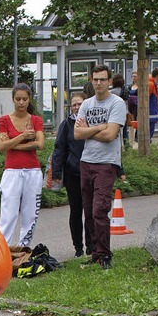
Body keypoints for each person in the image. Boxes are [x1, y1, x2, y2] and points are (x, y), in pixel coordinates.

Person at [74, 63, 125, 270]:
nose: (98, 83)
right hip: (87, 161)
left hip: (106, 163)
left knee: (99, 210)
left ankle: (105, 254)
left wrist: (90, 130)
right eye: (95, 79)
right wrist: (100, 127)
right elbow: (77, 134)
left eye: (103, 79)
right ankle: (95, 252)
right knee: (88, 211)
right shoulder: (86, 104)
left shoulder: (117, 103)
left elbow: (110, 135)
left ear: (109, 81)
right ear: (91, 80)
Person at [0, 83, 45, 247]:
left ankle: (24, 249)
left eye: (24, 99)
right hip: (12, 171)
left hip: (33, 170)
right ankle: (4, 249)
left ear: (29, 99)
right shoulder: (4, 120)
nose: (21, 103)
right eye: (18, 99)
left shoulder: (36, 120)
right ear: (13, 100)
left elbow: (40, 144)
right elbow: (1, 146)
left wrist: (13, 145)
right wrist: (23, 136)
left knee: (30, 214)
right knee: (8, 214)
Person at [51, 94, 90, 257]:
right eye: (74, 105)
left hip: (89, 171)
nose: (76, 107)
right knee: (76, 210)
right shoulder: (66, 125)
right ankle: (78, 247)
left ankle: (92, 246)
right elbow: (59, 149)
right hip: (72, 173)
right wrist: (57, 172)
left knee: (90, 211)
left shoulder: (92, 123)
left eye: (79, 104)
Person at [148, 68, 158, 141]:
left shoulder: (151, 83)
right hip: (151, 111)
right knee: (150, 129)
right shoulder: (151, 84)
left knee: (151, 129)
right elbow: (147, 96)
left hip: (151, 110)